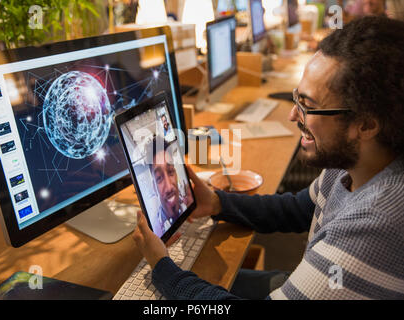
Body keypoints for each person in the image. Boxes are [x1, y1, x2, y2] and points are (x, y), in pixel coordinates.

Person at [133, 16, 404, 300]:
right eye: (296, 99)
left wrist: (162, 267)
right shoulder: (357, 161)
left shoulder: (373, 226)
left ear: (366, 125)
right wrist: (217, 202)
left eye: (307, 106)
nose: (292, 114)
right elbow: (300, 208)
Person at [145, 135, 193, 236]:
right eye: (159, 178)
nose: (169, 187)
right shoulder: (155, 232)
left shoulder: (188, 205)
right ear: (154, 187)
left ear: (176, 175)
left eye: (170, 171)